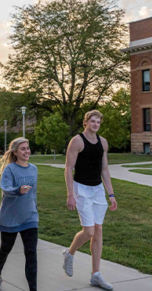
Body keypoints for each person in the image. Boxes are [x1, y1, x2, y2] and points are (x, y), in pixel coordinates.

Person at [63, 110, 118, 291]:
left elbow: (105, 170)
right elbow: (69, 168)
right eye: (92, 121)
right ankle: (69, 253)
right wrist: (70, 194)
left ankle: (96, 275)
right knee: (88, 231)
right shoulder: (77, 141)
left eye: (98, 122)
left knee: (98, 231)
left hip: (97, 190)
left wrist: (111, 194)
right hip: (81, 189)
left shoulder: (103, 142)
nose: (95, 124)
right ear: (85, 122)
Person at [0, 137, 39, 291]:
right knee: (5, 249)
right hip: (10, 217)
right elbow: (5, 188)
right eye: (23, 148)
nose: (27, 151)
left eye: (28, 147)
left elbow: (34, 194)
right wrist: (18, 191)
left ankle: (33, 288)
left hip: (30, 216)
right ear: (15, 152)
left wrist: (34, 209)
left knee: (31, 254)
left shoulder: (34, 169)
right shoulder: (10, 169)